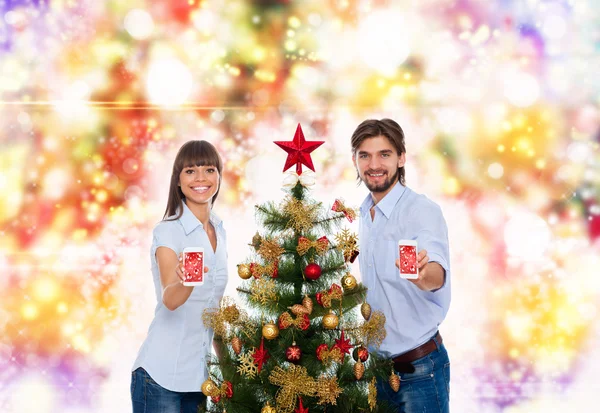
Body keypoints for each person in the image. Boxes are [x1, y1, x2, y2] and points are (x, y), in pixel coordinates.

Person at [350, 119, 451, 413]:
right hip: (377, 370)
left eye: (384, 154)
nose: (374, 164)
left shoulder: (421, 211)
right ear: (355, 160)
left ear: (401, 158)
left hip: (419, 370)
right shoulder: (364, 211)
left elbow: (437, 272)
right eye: (364, 155)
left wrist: (424, 276)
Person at [131, 140, 228, 413]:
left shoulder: (220, 231)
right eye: (190, 171)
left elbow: (214, 309)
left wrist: (231, 368)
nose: (200, 178)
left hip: (198, 382)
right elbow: (170, 299)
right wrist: (186, 281)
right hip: (160, 378)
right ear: (178, 180)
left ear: (219, 176)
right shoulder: (167, 232)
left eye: (209, 170)